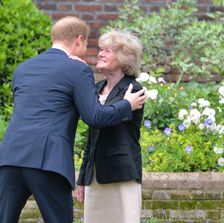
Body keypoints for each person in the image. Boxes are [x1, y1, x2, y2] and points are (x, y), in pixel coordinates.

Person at [0, 17, 147, 223]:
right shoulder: (77, 69)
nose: (91, 52)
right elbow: (94, 116)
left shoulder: (23, 69)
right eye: (88, 44)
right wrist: (126, 105)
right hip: (48, 161)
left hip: (9, 158)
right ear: (79, 40)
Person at [75, 30, 144, 223]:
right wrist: (82, 179)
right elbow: (92, 137)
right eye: (100, 49)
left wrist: (126, 104)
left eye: (107, 51)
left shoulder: (133, 90)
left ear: (123, 58)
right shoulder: (96, 89)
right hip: (95, 177)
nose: (100, 54)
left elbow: (106, 118)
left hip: (121, 174)